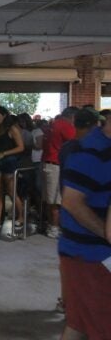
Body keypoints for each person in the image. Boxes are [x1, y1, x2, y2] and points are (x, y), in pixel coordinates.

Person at [58, 108, 111, 340]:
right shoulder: (91, 151)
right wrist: (105, 234)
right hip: (91, 256)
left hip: (87, 253)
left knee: (78, 325)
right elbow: (72, 202)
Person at [42, 107, 78, 238]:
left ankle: (51, 225)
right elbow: (77, 142)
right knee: (56, 200)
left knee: (50, 199)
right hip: (56, 165)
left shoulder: (52, 125)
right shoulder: (65, 126)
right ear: (72, 117)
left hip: (48, 163)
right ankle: (54, 228)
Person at [0, 106, 25, 230]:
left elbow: (21, 147)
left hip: (8, 161)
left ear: (4, 116)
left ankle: (21, 217)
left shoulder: (12, 129)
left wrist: (4, 153)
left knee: (11, 191)